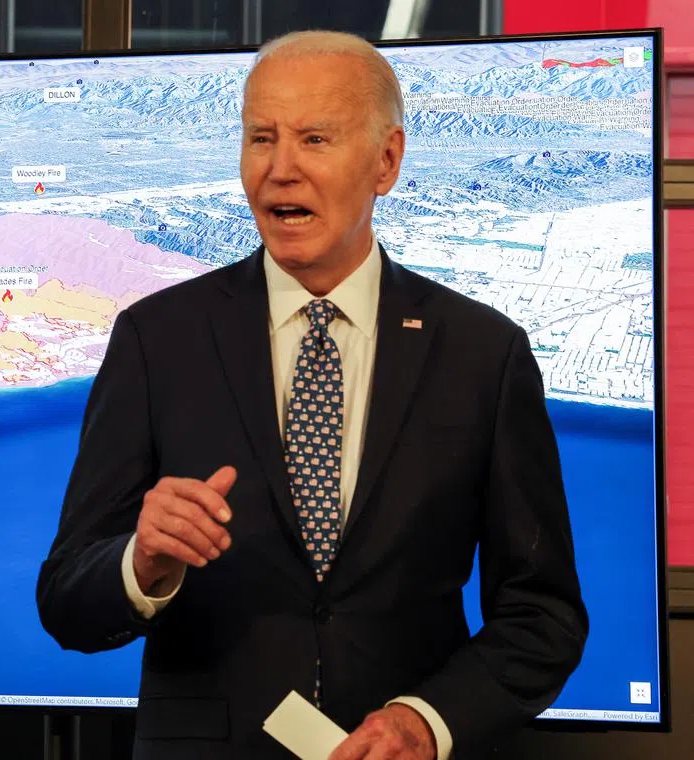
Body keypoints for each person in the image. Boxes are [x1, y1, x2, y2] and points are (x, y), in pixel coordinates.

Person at [36, 29, 588, 760]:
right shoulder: (157, 339)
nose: (280, 170)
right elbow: (66, 599)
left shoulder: (483, 353)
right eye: (261, 138)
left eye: (315, 139)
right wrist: (142, 563)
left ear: (386, 161)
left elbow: (543, 615)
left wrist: (427, 722)